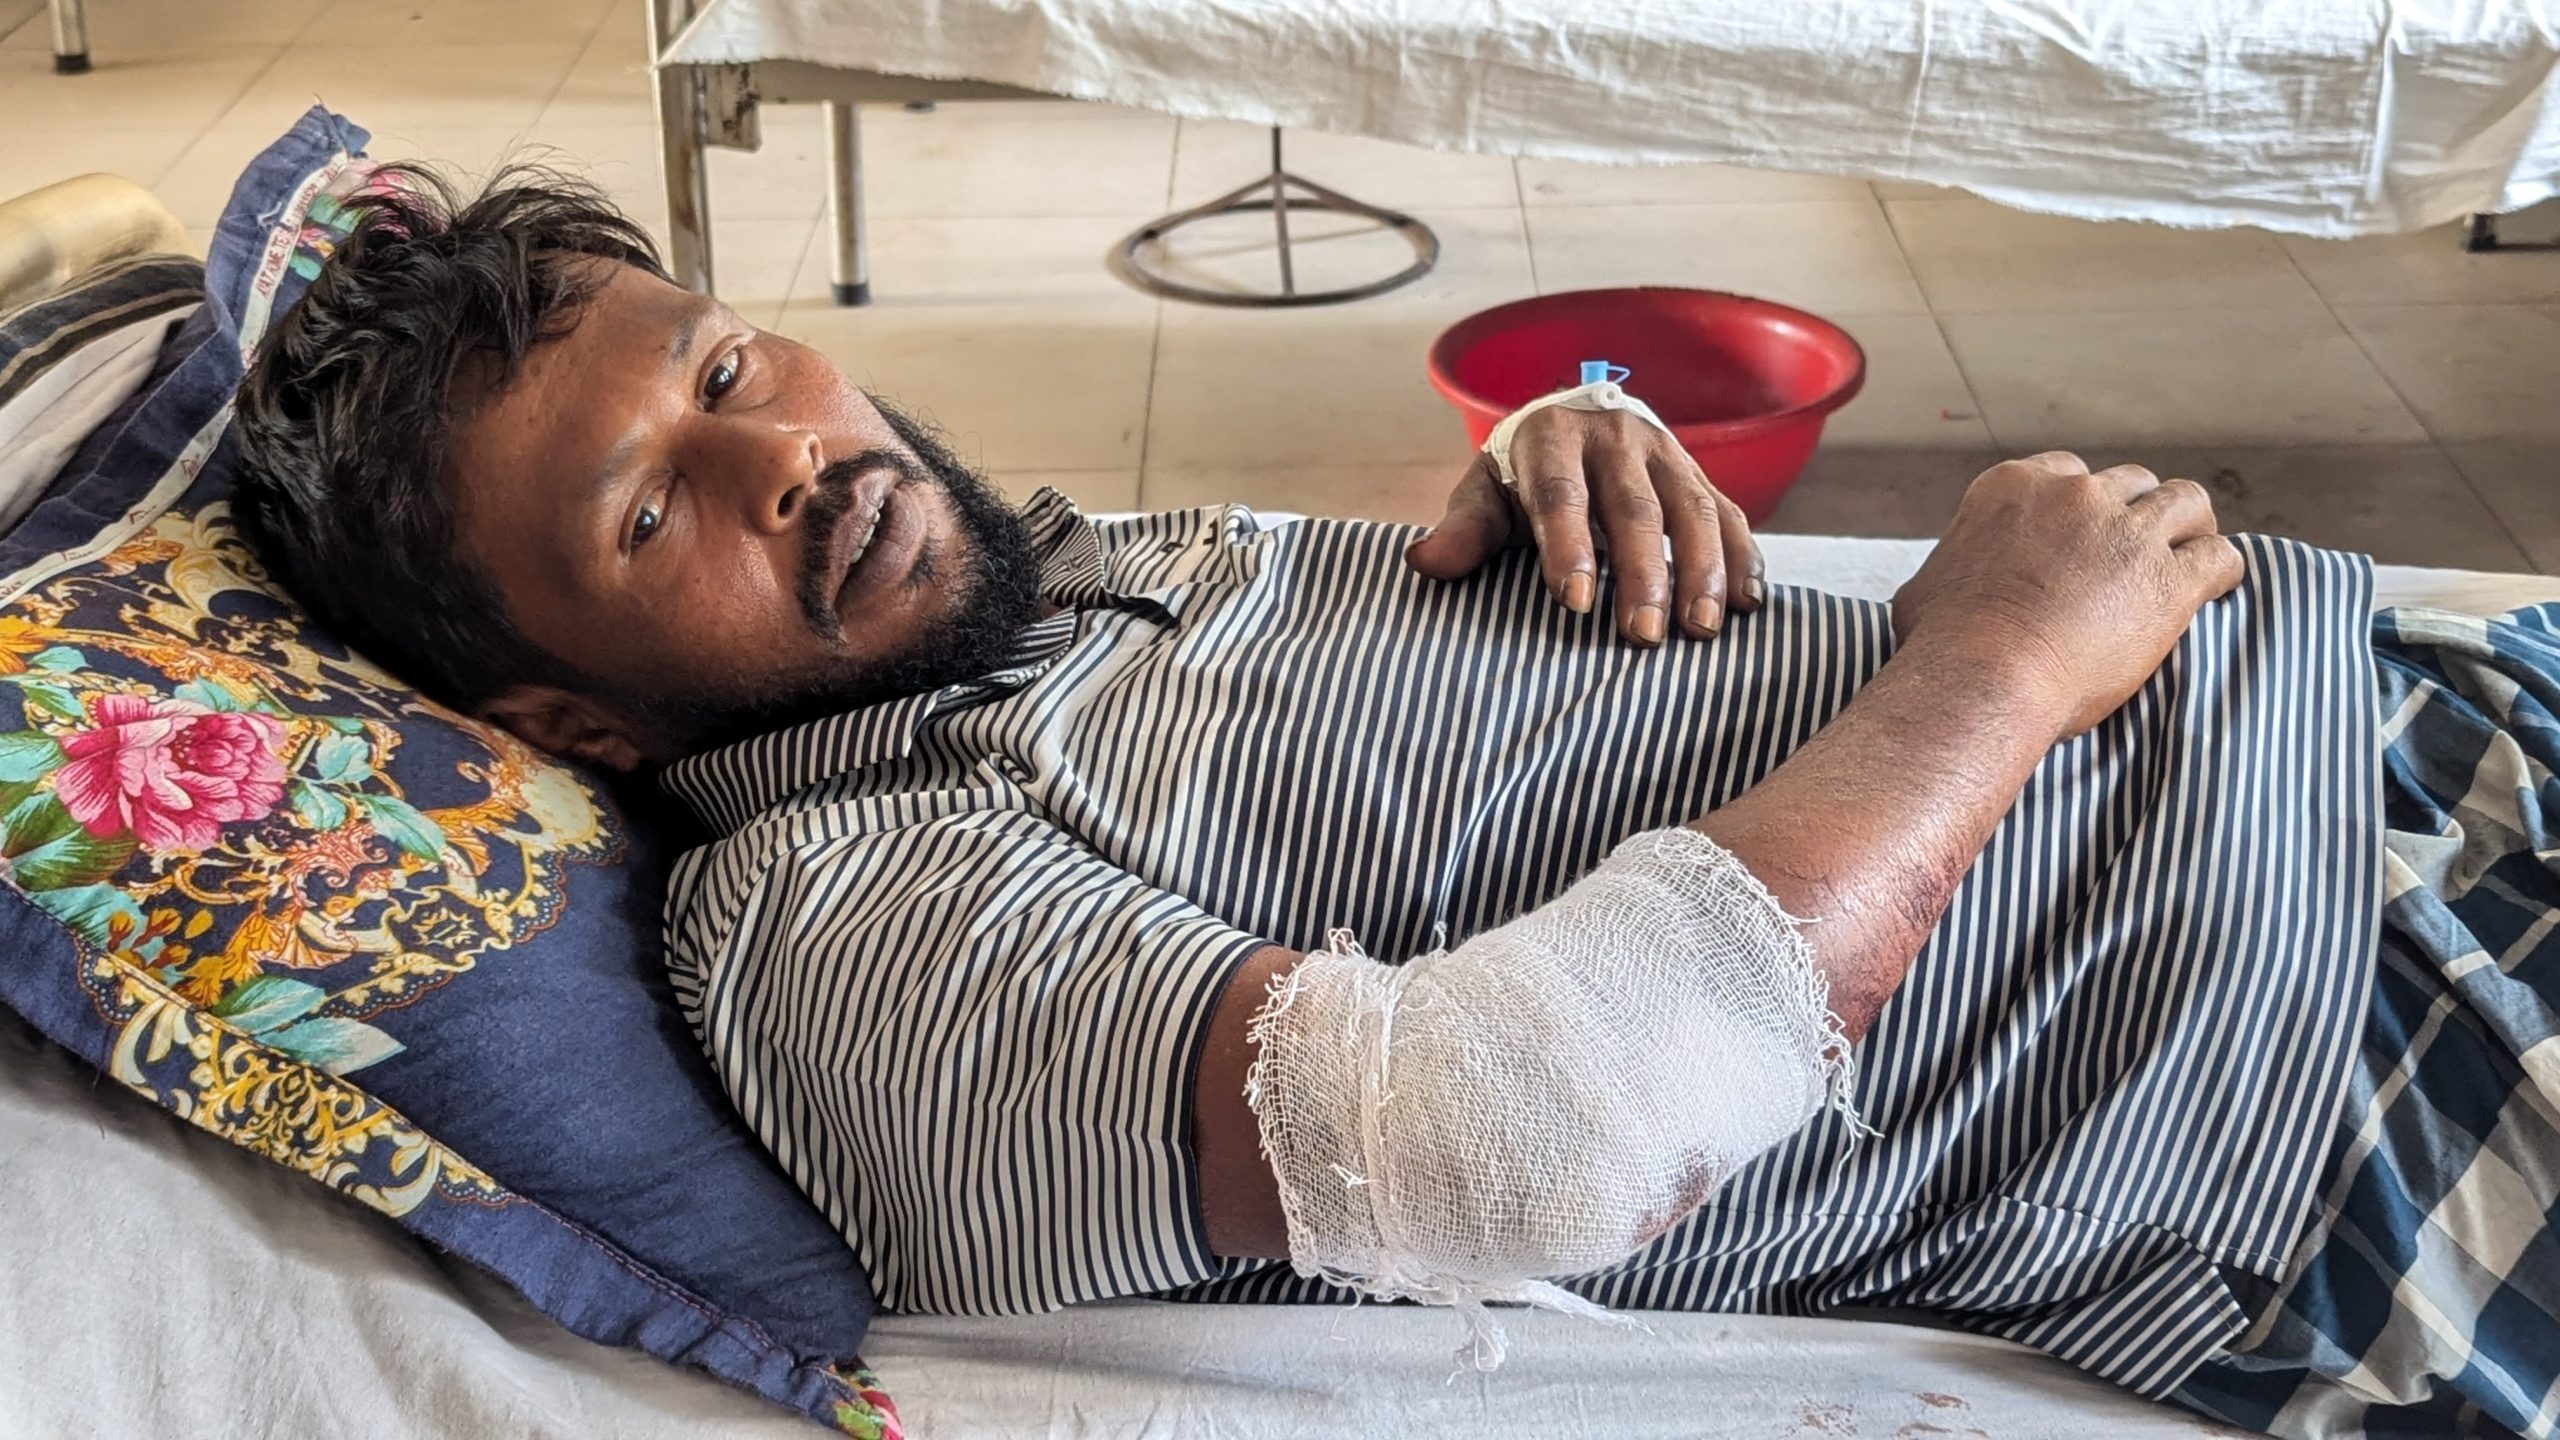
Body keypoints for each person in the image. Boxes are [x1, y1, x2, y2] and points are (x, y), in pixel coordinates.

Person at [232, 166, 2560, 1440]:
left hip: (2394, 714)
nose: (786, 462)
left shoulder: (1050, 571)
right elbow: (1506, 1135)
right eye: (653, 513)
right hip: (2336, 1060)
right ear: (574, 719)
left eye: (728, 368)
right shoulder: (826, 908)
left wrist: (1556, 450)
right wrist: (1996, 666)